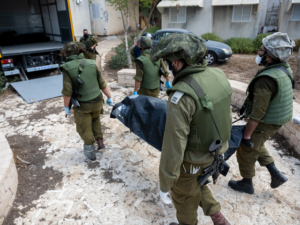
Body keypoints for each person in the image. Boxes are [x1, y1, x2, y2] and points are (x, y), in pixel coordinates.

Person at [151, 33, 232, 225]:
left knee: (184, 197)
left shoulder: (181, 95)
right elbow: (226, 118)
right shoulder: (219, 76)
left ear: (177, 62)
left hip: (191, 161)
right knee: (198, 182)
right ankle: (217, 215)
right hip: (217, 153)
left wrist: (166, 182)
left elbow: (174, 144)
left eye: (169, 62)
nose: (169, 67)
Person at [228, 32, 295, 194]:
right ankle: (276, 174)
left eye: (261, 50)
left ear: (270, 55)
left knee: (247, 148)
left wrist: (246, 136)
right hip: (276, 119)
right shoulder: (283, 69)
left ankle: (246, 183)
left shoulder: (266, 79)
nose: (259, 53)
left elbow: (258, 113)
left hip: (267, 121)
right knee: (257, 144)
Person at [61, 42, 113, 161]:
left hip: (83, 106)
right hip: (98, 101)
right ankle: (100, 142)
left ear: (66, 53)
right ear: (80, 51)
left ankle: (90, 152)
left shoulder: (67, 68)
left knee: (84, 127)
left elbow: (67, 92)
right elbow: (102, 83)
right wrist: (109, 97)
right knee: (95, 119)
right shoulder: (91, 63)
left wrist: (66, 107)